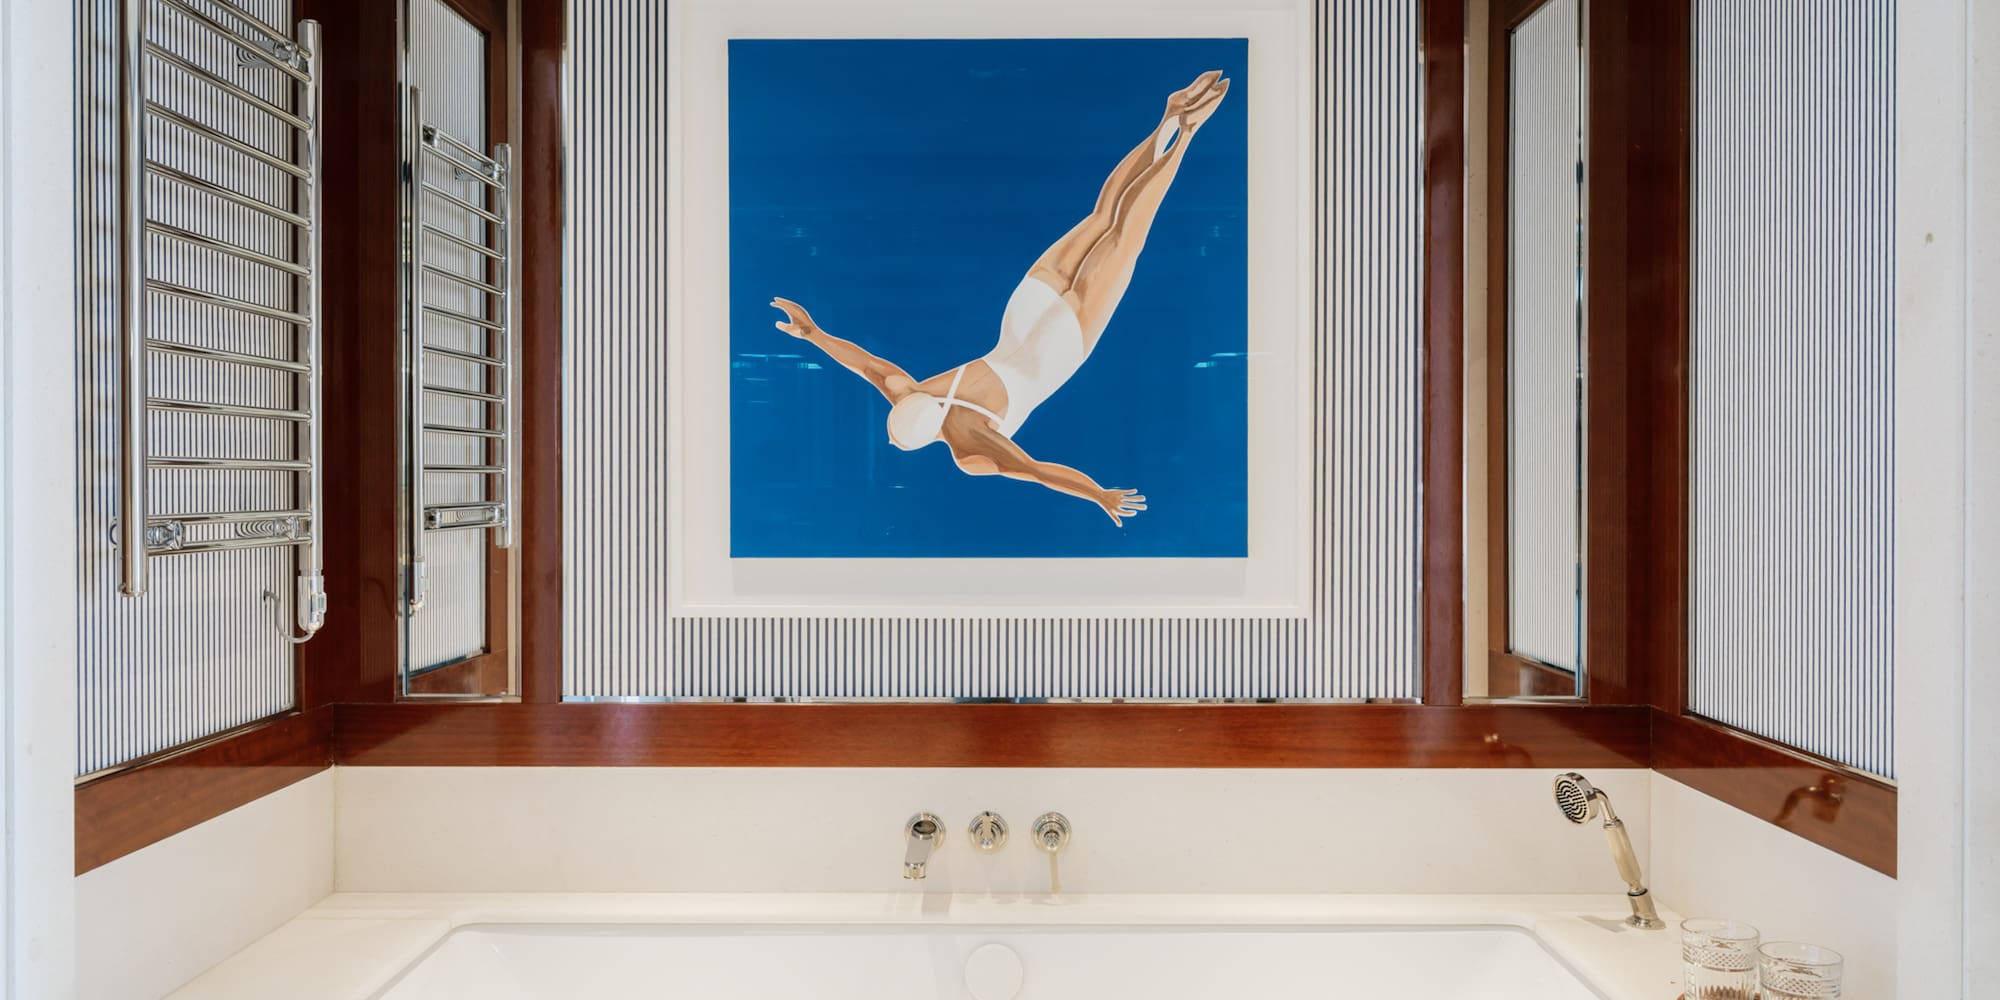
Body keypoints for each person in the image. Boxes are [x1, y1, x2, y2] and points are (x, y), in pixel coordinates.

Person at [771, 70, 1230, 526]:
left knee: (1124, 238)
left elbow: (1038, 472)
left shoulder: (971, 451)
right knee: (1102, 216)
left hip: (1060, 346)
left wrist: (1098, 494)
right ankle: (1168, 118)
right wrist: (813, 334)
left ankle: (1187, 133)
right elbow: (866, 365)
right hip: (1024, 311)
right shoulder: (910, 391)